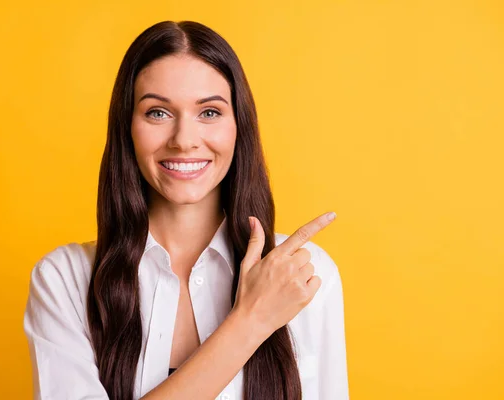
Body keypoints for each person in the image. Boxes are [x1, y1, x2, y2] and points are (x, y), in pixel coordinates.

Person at [23, 20, 348, 400]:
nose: (184, 141)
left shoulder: (302, 275)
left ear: (238, 126)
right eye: (158, 113)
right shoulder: (65, 279)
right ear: (126, 127)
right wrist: (252, 321)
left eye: (209, 112)